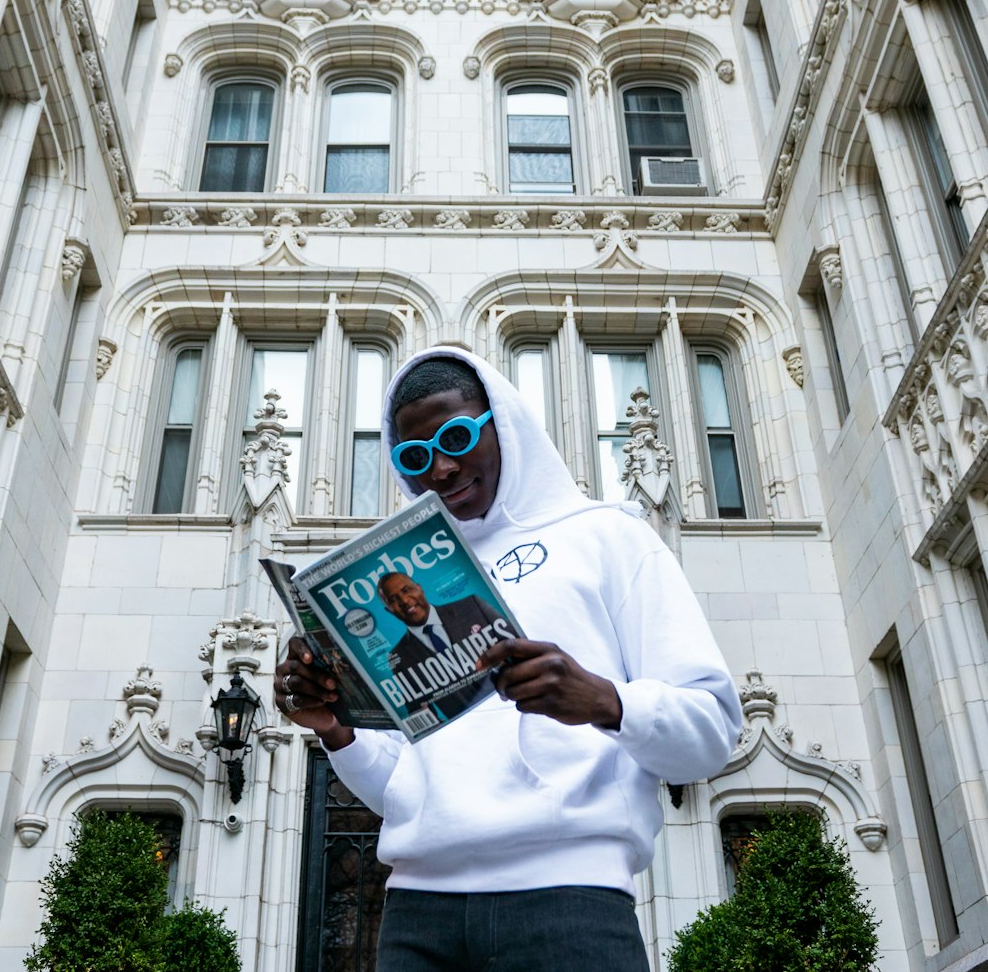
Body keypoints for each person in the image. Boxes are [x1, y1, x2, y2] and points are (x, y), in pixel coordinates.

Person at [274, 348, 741, 972]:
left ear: (504, 422)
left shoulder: (609, 536)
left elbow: (710, 735)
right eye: (414, 457)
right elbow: (398, 789)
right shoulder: (403, 586)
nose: (440, 469)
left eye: (458, 436)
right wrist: (336, 729)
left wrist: (605, 701)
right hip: (416, 910)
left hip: (570, 902)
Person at [377, 572, 515, 717]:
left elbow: (517, 643)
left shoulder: (472, 605)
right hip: (466, 729)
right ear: (389, 610)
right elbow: (417, 709)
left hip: (513, 700)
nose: (404, 600)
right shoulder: (398, 656)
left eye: (406, 590)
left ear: (419, 588)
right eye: (393, 599)